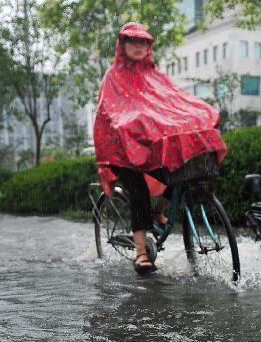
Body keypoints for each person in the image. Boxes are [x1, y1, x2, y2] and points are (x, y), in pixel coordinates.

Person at [94, 22, 227, 273]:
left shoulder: (155, 76)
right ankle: (141, 252)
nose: (138, 46)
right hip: (121, 151)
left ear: (149, 46)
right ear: (122, 46)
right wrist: (134, 123)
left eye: (142, 41)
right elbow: (113, 111)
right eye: (132, 41)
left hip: (147, 149)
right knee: (139, 191)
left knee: (176, 177)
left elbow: (175, 101)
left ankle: (157, 212)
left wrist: (199, 114)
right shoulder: (113, 76)